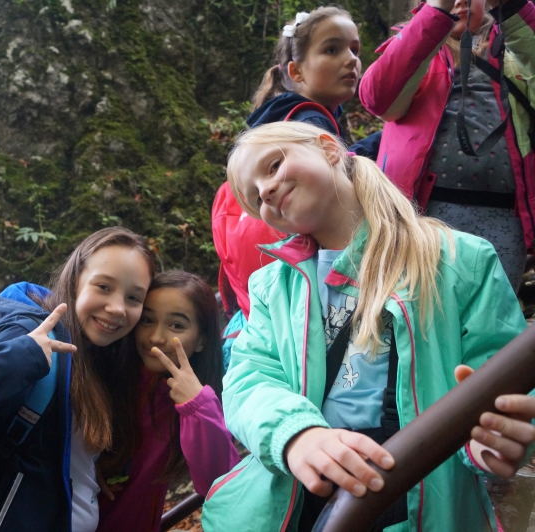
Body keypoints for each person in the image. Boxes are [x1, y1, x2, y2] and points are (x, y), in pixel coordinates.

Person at [202, 121, 535, 531]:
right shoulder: (272, 286)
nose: (266, 191)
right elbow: (249, 378)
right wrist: (295, 434)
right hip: (304, 494)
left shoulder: (460, 260)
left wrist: (494, 437)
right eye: (256, 198)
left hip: (422, 489)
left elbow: (505, 376)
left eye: (273, 166)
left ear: (329, 149)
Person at [0, 227, 154, 532]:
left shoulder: (97, 355)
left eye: (133, 297)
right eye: (103, 286)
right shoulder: (24, 337)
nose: (116, 308)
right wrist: (18, 361)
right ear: (75, 281)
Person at [214, 6, 371, 369]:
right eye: (332, 49)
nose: (351, 59)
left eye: (355, 49)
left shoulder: (270, 118)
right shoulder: (309, 119)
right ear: (295, 71)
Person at [360, 0, 535, 291]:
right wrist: (433, 17)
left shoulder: (516, 47)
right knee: (420, 309)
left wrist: (512, 7)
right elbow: (378, 99)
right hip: (422, 216)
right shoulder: (413, 48)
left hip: (504, 217)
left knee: (492, 313)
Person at [95, 270, 240, 532]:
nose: (156, 337)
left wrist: (197, 406)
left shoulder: (195, 403)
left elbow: (219, 482)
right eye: (147, 320)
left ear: (202, 340)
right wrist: (83, 469)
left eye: (176, 325)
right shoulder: (103, 371)